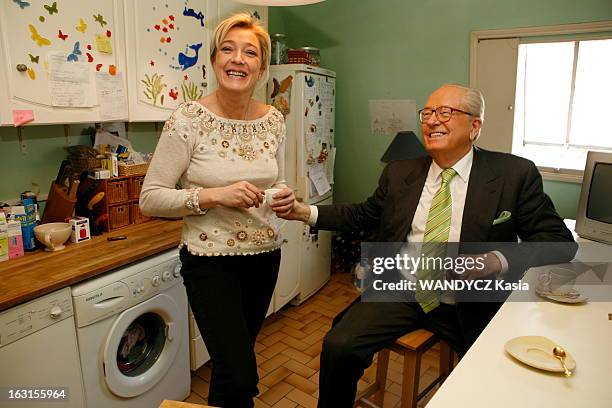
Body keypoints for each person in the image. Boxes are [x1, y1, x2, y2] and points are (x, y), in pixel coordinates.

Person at [272, 84, 577, 407]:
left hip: (472, 301)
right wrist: (305, 212)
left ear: (475, 126)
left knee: (496, 379)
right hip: (401, 290)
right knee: (339, 346)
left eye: (445, 112)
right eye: (427, 113)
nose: (432, 121)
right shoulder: (400, 172)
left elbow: (559, 244)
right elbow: (363, 214)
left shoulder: (513, 174)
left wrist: (497, 259)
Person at [140, 13, 295, 408]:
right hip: (210, 262)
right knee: (242, 373)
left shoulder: (274, 119)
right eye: (227, 49)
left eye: (250, 52)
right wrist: (211, 196)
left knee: (229, 371)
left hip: (264, 257)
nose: (237, 59)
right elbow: (151, 197)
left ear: (261, 66)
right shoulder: (188, 119)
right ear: (213, 59)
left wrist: (283, 195)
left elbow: (276, 179)